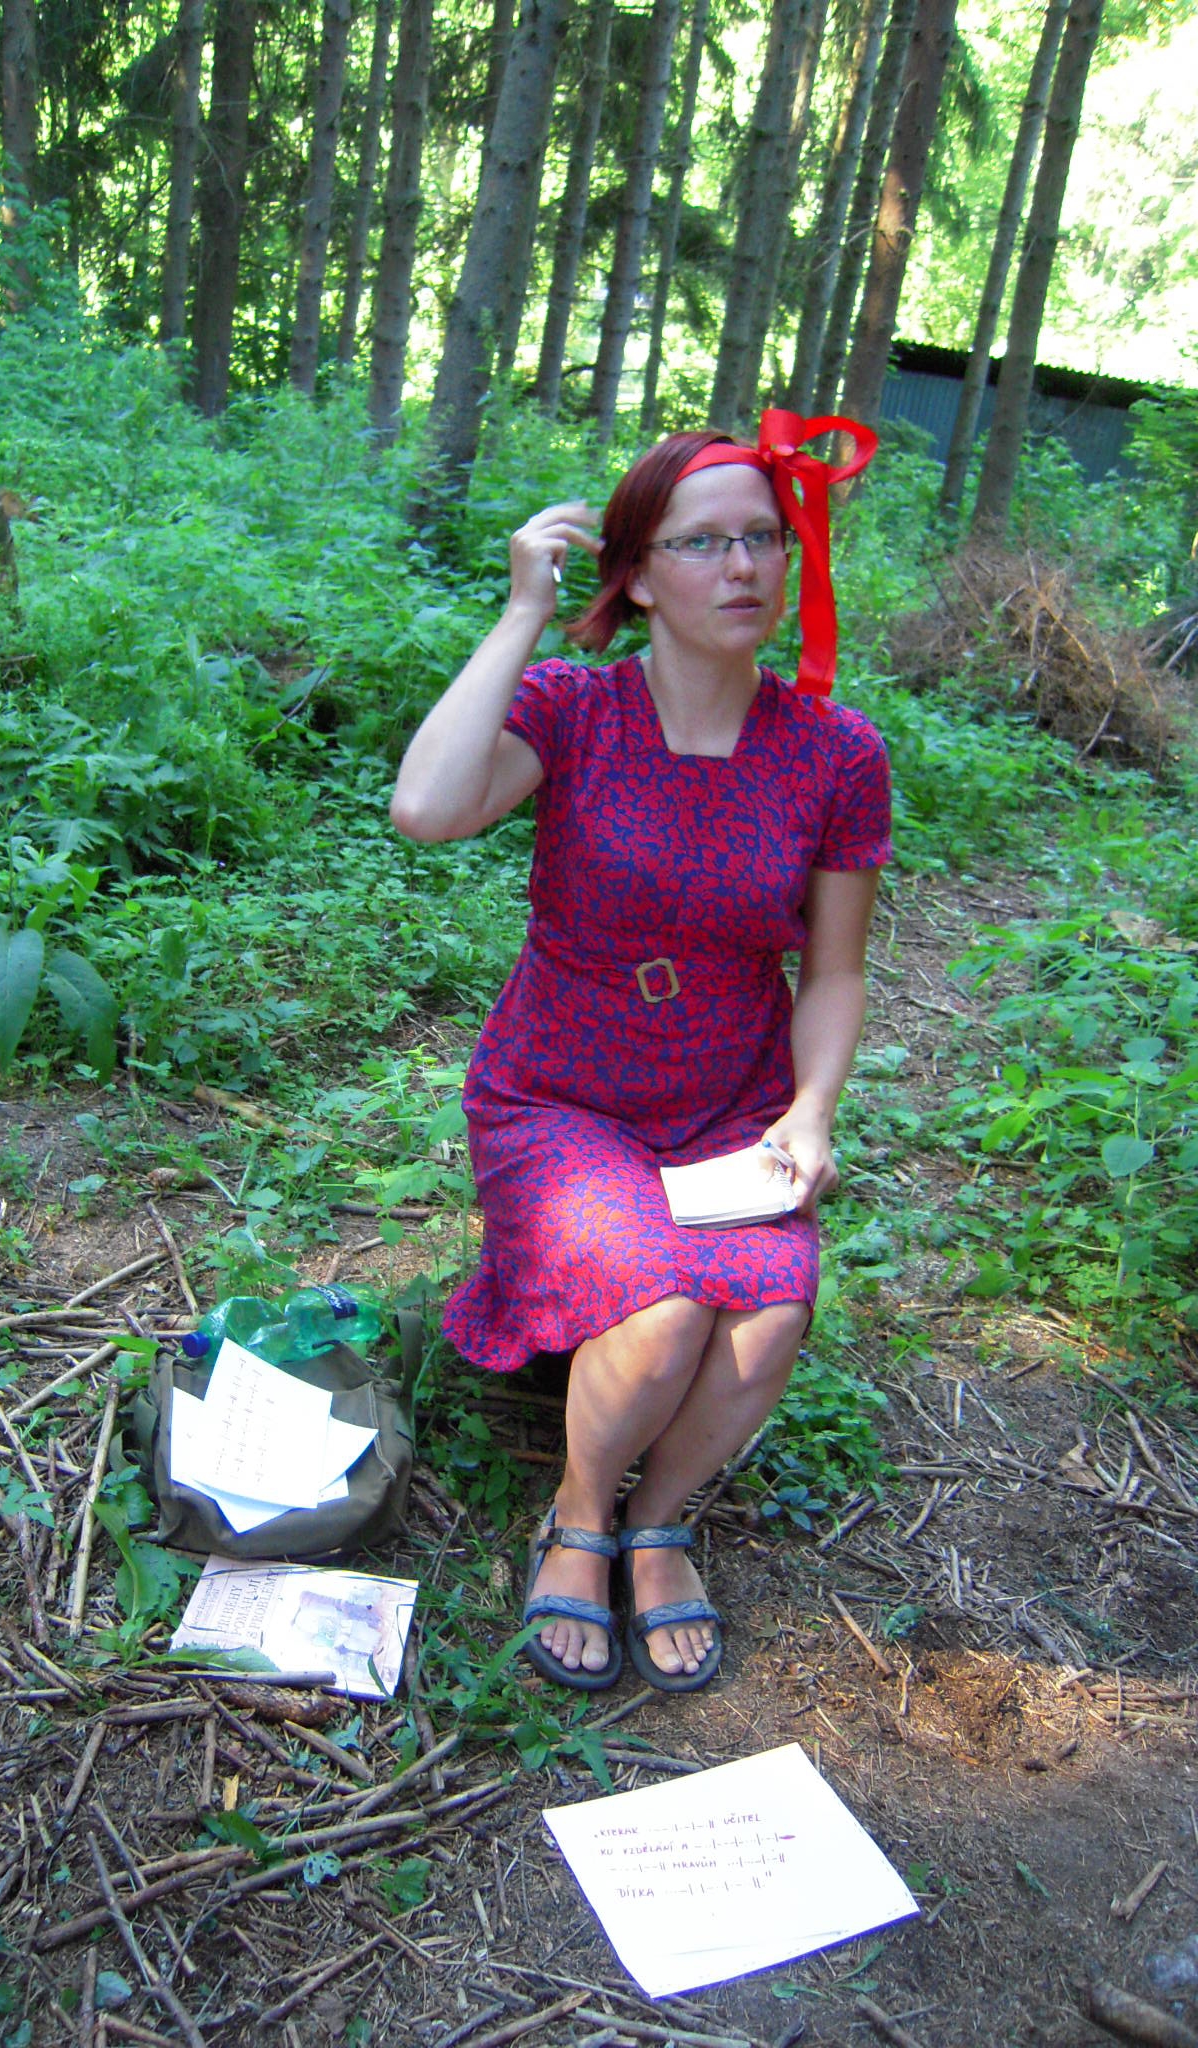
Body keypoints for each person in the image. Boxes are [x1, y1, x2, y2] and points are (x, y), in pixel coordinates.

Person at [391, 412, 891, 1693]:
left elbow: (835, 969)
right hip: (560, 1090)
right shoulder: (577, 707)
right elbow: (428, 809)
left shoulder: (835, 752)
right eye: (703, 543)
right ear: (639, 574)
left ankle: (658, 1518)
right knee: (664, 1313)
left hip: (730, 1098)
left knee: (766, 1316)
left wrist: (812, 1110)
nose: (744, 566)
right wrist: (523, 613)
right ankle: (579, 1512)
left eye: (763, 538)